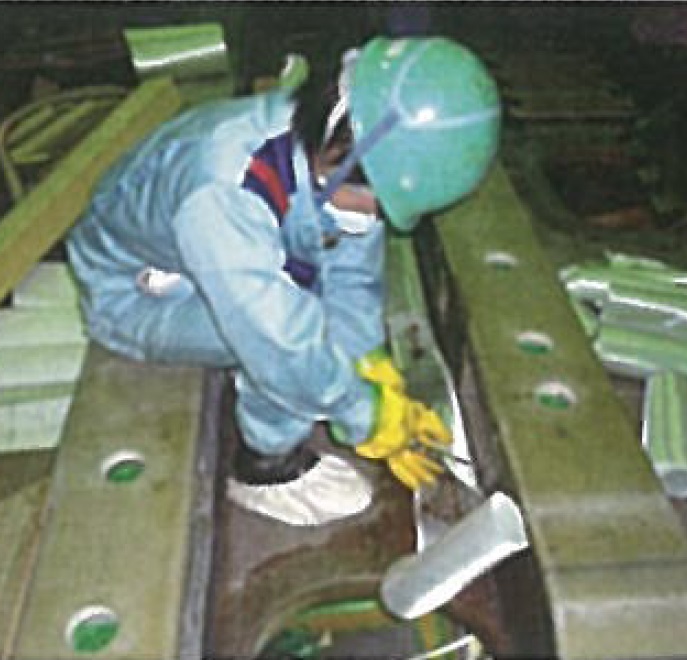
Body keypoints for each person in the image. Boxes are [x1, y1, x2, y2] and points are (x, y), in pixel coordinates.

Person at [66, 36, 501, 526]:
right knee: (288, 331)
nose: (377, 217)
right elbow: (280, 343)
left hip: (195, 250)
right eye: (377, 202)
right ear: (340, 156)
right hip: (129, 290)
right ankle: (266, 467)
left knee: (311, 322)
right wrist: (365, 414)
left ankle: (290, 402)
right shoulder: (225, 190)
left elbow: (353, 273)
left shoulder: (329, 141)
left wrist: (365, 359)